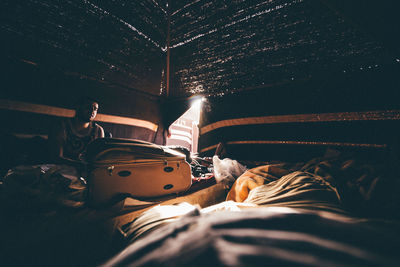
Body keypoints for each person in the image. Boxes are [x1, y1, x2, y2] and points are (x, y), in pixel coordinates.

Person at [48, 97, 105, 164]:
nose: (92, 111)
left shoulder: (98, 130)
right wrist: (79, 165)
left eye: (95, 109)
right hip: (62, 168)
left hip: (86, 171)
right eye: (88, 107)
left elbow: (99, 158)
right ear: (78, 107)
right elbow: (56, 158)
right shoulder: (62, 126)